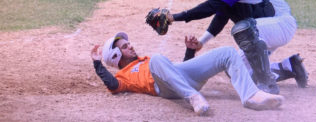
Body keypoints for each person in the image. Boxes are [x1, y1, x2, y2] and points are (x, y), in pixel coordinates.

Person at [166, 0, 308, 95]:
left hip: (281, 25)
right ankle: (289, 67)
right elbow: (221, 15)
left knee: (243, 29)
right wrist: (201, 42)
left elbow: (211, 7)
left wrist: (174, 17)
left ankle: (268, 85)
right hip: (266, 28)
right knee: (236, 70)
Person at [91, 32, 284, 116]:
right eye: (125, 47)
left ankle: (250, 95)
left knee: (227, 52)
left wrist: (190, 52)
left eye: (127, 43)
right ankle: (193, 98)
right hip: (165, 89)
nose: (130, 45)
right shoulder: (122, 76)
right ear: (116, 56)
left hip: (180, 80)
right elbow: (113, 86)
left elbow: (175, 74)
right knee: (158, 60)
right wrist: (97, 63)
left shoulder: (146, 60)